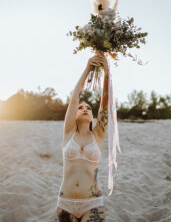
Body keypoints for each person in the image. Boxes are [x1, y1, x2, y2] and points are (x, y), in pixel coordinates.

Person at [56, 51, 109, 221]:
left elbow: (105, 102)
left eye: (88, 108)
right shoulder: (68, 133)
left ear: (93, 117)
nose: (84, 108)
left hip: (92, 203)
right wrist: (87, 68)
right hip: (65, 203)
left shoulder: (98, 135)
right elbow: (75, 97)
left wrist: (107, 73)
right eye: (81, 108)